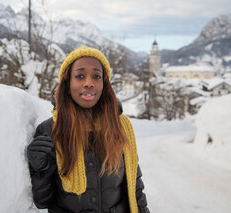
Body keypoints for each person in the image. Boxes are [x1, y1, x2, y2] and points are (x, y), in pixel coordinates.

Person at [27, 46, 150, 213]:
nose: (89, 83)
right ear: (67, 84)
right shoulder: (50, 130)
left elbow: (135, 189)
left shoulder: (121, 127)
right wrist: (39, 167)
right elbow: (43, 202)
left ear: (104, 85)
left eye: (97, 76)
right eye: (79, 76)